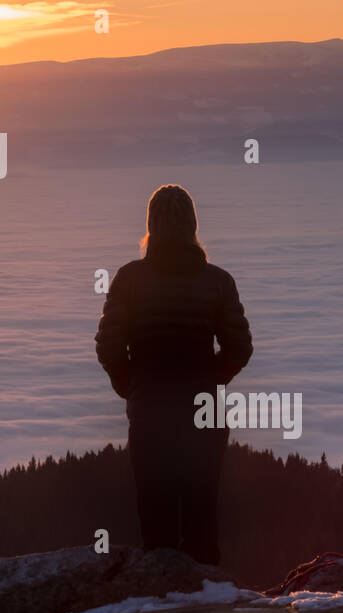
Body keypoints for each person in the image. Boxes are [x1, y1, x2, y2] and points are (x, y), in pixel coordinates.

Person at [95, 184, 252, 565]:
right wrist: (211, 381)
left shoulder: (130, 279)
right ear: (193, 226)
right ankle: (208, 604)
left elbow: (108, 345)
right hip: (205, 412)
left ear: (151, 225)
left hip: (150, 412)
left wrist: (130, 386)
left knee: (157, 522)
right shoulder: (218, 281)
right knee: (202, 519)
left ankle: (160, 605)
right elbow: (240, 347)